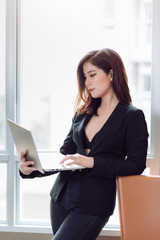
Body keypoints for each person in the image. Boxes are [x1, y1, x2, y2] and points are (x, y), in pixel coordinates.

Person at [19, 48, 148, 240]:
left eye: (92, 75)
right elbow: (65, 156)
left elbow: (136, 165)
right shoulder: (83, 112)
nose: (87, 82)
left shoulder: (132, 116)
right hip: (60, 196)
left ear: (111, 73)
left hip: (94, 203)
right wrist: (31, 170)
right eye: (84, 76)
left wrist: (91, 162)